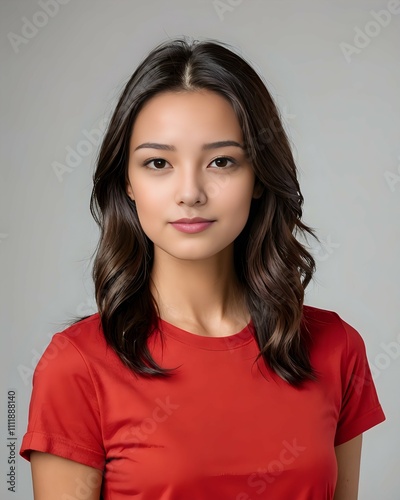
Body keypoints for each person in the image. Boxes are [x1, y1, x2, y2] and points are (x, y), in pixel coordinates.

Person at [20, 37, 386, 500]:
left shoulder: (336, 348)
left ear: (258, 178)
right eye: (158, 163)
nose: (190, 191)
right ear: (128, 184)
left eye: (221, 161)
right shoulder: (76, 365)